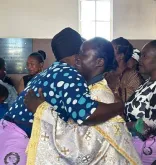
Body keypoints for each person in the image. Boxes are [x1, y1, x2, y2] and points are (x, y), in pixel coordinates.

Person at [0, 28, 124, 165]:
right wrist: (119, 106)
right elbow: (86, 114)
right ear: (78, 52)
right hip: (20, 139)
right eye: (82, 52)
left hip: (7, 131)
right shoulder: (71, 75)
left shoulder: (50, 72)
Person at [24, 37, 142, 165]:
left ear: (99, 62)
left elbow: (81, 148)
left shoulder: (100, 95)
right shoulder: (90, 89)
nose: (77, 58)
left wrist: (41, 109)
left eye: (83, 54)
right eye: (78, 53)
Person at [105, 37, 143, 102]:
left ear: (121, 56)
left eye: (111, 51)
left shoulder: (133, 76)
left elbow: (127, 103)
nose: (107, 55)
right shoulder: (107, 73)